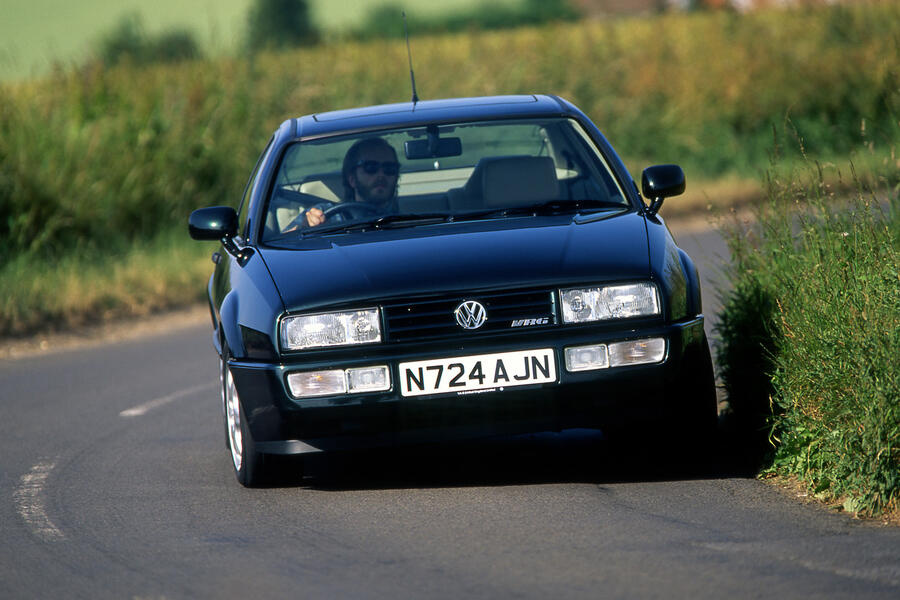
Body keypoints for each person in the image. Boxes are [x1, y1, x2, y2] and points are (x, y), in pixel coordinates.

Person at [304, 137, 400, 227]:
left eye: (389, 168)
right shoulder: (324, 213)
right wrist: (307, 226)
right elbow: (290, 239)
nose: (381, 175)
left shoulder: (410, 218)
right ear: (352, 179)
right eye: (371, 167)